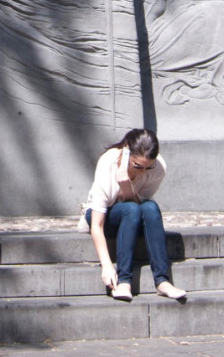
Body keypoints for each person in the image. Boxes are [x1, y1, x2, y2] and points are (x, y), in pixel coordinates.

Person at [80, 128, 187, 302]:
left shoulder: (158, 167)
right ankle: (124, 281)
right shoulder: (108, 161)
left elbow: (141, 207)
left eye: (148, 167)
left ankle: (162, 281)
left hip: (132, 216)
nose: (143, 172)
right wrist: (106, 265)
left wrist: (127, 188)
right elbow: (97, 225)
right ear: (126, 150)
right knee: (131, 209)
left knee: (150, 207)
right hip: (102, 217)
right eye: (138, 166)